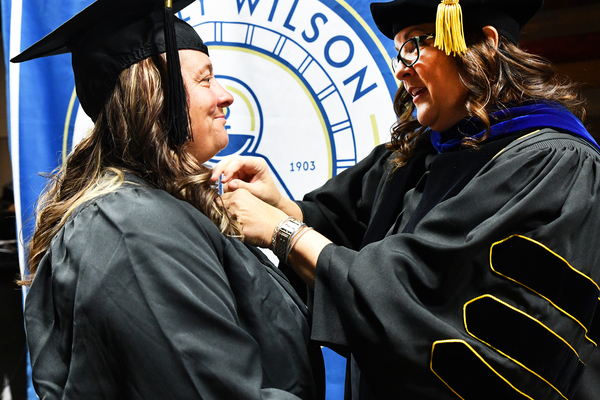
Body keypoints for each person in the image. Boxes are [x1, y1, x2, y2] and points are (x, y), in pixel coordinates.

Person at [210, 0, 600, 399]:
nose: (400, 68)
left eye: (416, 45)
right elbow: (349, 224)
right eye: (399, 52)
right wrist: (283, 206)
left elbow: (423, 296)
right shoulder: (420, 153)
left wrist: (285, 233)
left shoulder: (551, 166)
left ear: (485, 42)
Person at [11, 0, 323, 399]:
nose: (225, 95)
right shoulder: (131, 228)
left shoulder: (158, 210)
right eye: (206, 80)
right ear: (154, 94)